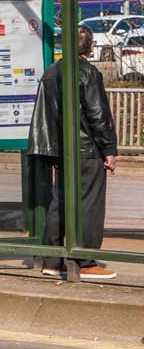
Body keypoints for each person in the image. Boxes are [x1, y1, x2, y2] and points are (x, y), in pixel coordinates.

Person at [27, 25, 118, 280]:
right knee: (89, 204)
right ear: (89, 47)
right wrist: (108, 150)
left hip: (61, 150)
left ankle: (52, 260)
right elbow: (98, 115)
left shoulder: (52, 72)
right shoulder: (88, 73)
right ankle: (85, 261)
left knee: (61, 202)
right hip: (87, 149)